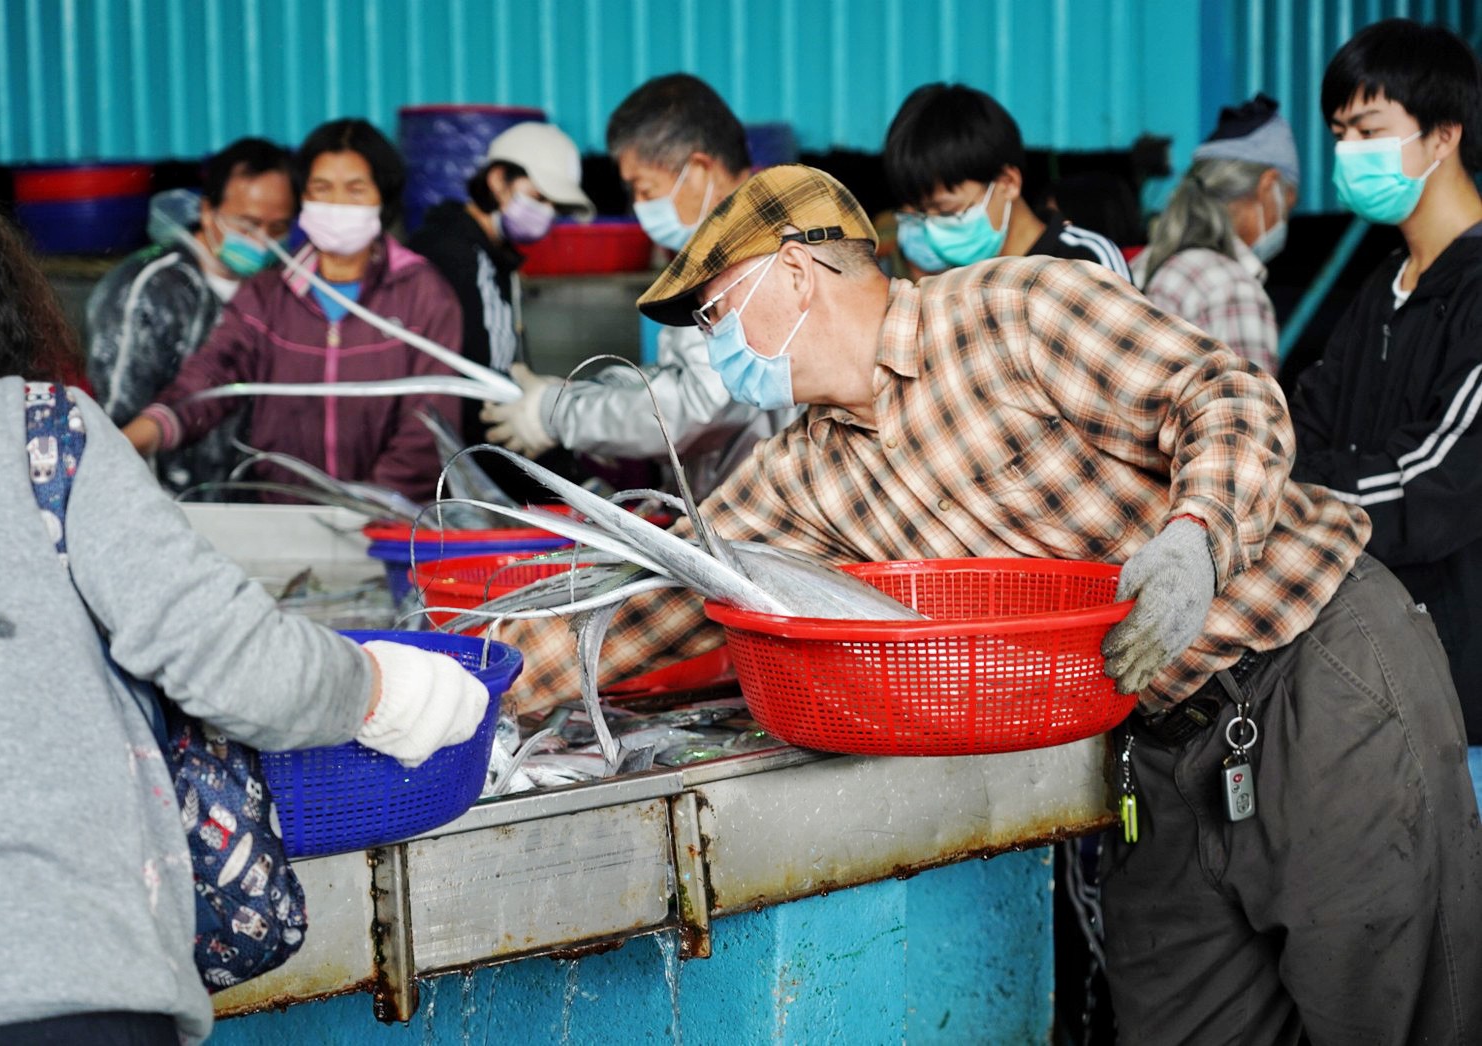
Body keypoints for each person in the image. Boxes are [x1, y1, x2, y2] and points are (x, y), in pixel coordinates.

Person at [501, 165, 1482, 1043]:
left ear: (795, 277)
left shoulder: (1016, 310)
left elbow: (1219, 391)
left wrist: (1197, 537)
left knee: (1387, 1007)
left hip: (1313, 668)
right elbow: (666, 591)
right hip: (1159, 739)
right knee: (1179, 1015)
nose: (712, 352)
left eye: (716, 316)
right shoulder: (802, 469)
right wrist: (463, 687)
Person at [0, 162, 489, 1044]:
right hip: (49, 980)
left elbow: (425, 423)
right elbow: (235, 662)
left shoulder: (421, 293)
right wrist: (387, 692)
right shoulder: (40, 434)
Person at [1290, 20, 1482, 800]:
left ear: (1442, 137)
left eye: (1369, 131)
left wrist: (1287, 500)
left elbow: (1437, 476)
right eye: (1339, 133)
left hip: (1467, 698)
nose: (1347, 153)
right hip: (1380, 675)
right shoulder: (1382, 287)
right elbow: (1304, 417)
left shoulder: (1475, 290)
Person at [477, 74, 793, 500]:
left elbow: (698, 406)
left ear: (698, 170)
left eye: (646, 189)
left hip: (769, 514)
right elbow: (676, 378)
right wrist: (581, 393)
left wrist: (559, 413)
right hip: (735, 506)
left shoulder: (748, 257)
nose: (641, 208)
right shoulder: (713, 254)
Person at [122, 119, 464, 505]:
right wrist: (135, 438)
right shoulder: (268, 294)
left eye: (355, 190)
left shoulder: (423, 295)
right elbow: (210, 379)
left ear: (382, 198)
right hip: (285, 514)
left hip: (391, 519)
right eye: (322, 189)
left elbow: (429, 424)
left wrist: (367, 505)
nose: (337, 204)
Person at [86, 137, 296, 498]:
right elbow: (115, 418)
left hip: (254, 506)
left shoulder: (281, 289)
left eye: (276, 229)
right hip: (165, 506)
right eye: (247, 225)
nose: (262, 242)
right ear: (207, 210)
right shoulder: (148, 290)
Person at [408, 121, 593, 497]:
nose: (547, 215)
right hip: (462, 472)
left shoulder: (488, 257)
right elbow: (486, 401)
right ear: (498, 180)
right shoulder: (465, 259)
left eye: (554, 206)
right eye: (538, 197)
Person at [883, 82, 1130, 280]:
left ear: (1007, 182)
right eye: (923, 215)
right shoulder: (951, 283)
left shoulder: (1086, 262)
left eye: (947, 212)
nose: (934, 231)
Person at [1134, 95, 1299, 373]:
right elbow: (1248, 414)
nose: (1283, 221)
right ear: (1268, 186)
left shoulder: (1147, 263)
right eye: (1287, 206)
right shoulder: (1231, 290)